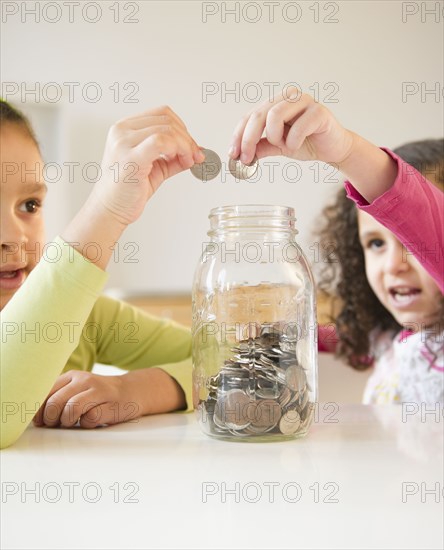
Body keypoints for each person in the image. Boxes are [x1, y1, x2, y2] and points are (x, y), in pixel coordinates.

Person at [1, 100, 205, 449]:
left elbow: (230, 356)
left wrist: (131, 390)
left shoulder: (87, 318)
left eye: (30, 205)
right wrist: (106, 210)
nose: (13, 236)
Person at [229, 89, 443, 404]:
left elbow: (424, 218)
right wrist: (283, 334)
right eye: (375, 243)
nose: (393, 264)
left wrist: (346, 152)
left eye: (412, 241)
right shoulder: (387, 340)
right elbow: (343, 338)